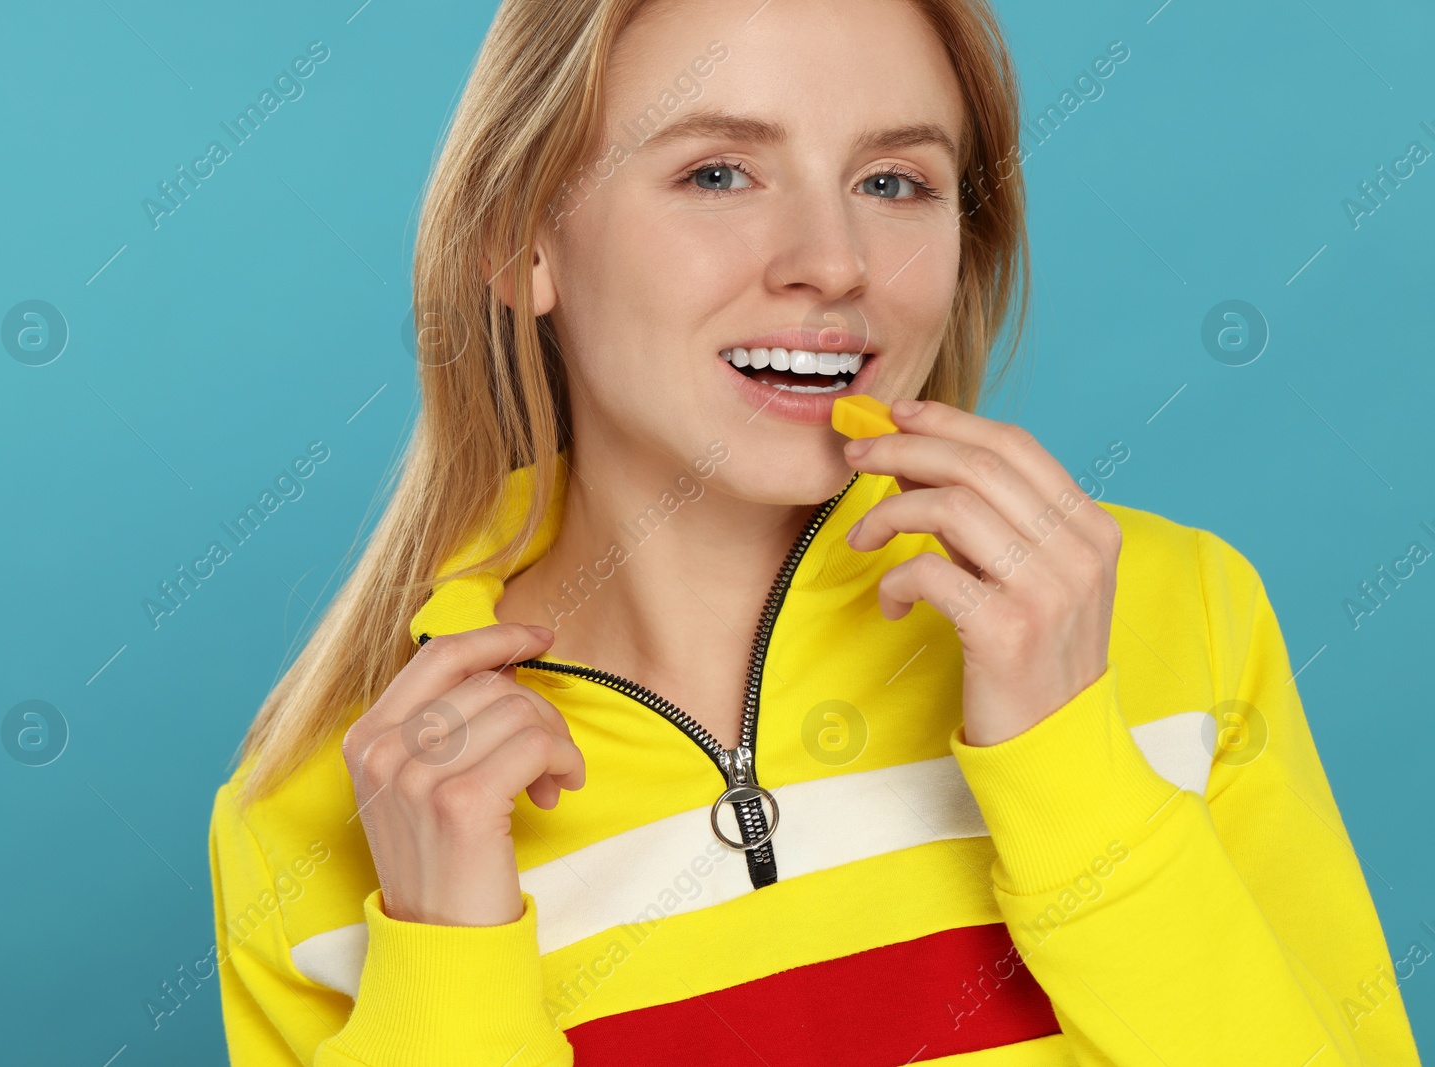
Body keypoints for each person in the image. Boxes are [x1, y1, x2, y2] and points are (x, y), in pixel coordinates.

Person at [207, 0, 1422, 1062]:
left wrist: (1072, 773)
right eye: (719, 173)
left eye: (893, 182)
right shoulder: (321, 809)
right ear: (521, 239)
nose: (834, 264)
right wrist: (448, 978)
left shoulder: (1169, 612)